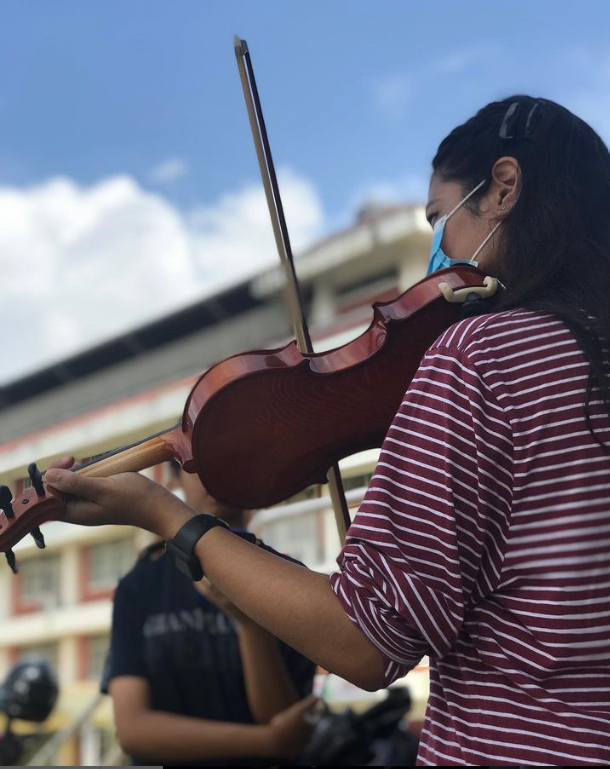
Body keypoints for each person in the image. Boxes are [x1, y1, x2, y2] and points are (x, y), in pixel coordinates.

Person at [46, 95, 610, 766]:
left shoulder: (480, 356)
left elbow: (367, 645)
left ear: (504, 188)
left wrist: (166, 516)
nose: (441, 247)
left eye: (440, 219)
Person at [101, 462, 317, 766]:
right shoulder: (139, 586)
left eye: (226, 457)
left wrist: (250, 626)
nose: (213, 472)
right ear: (175, 477)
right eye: (195, 463)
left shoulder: (291, 578)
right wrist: (266, 741)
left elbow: (288, 722)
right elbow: (133, 730)